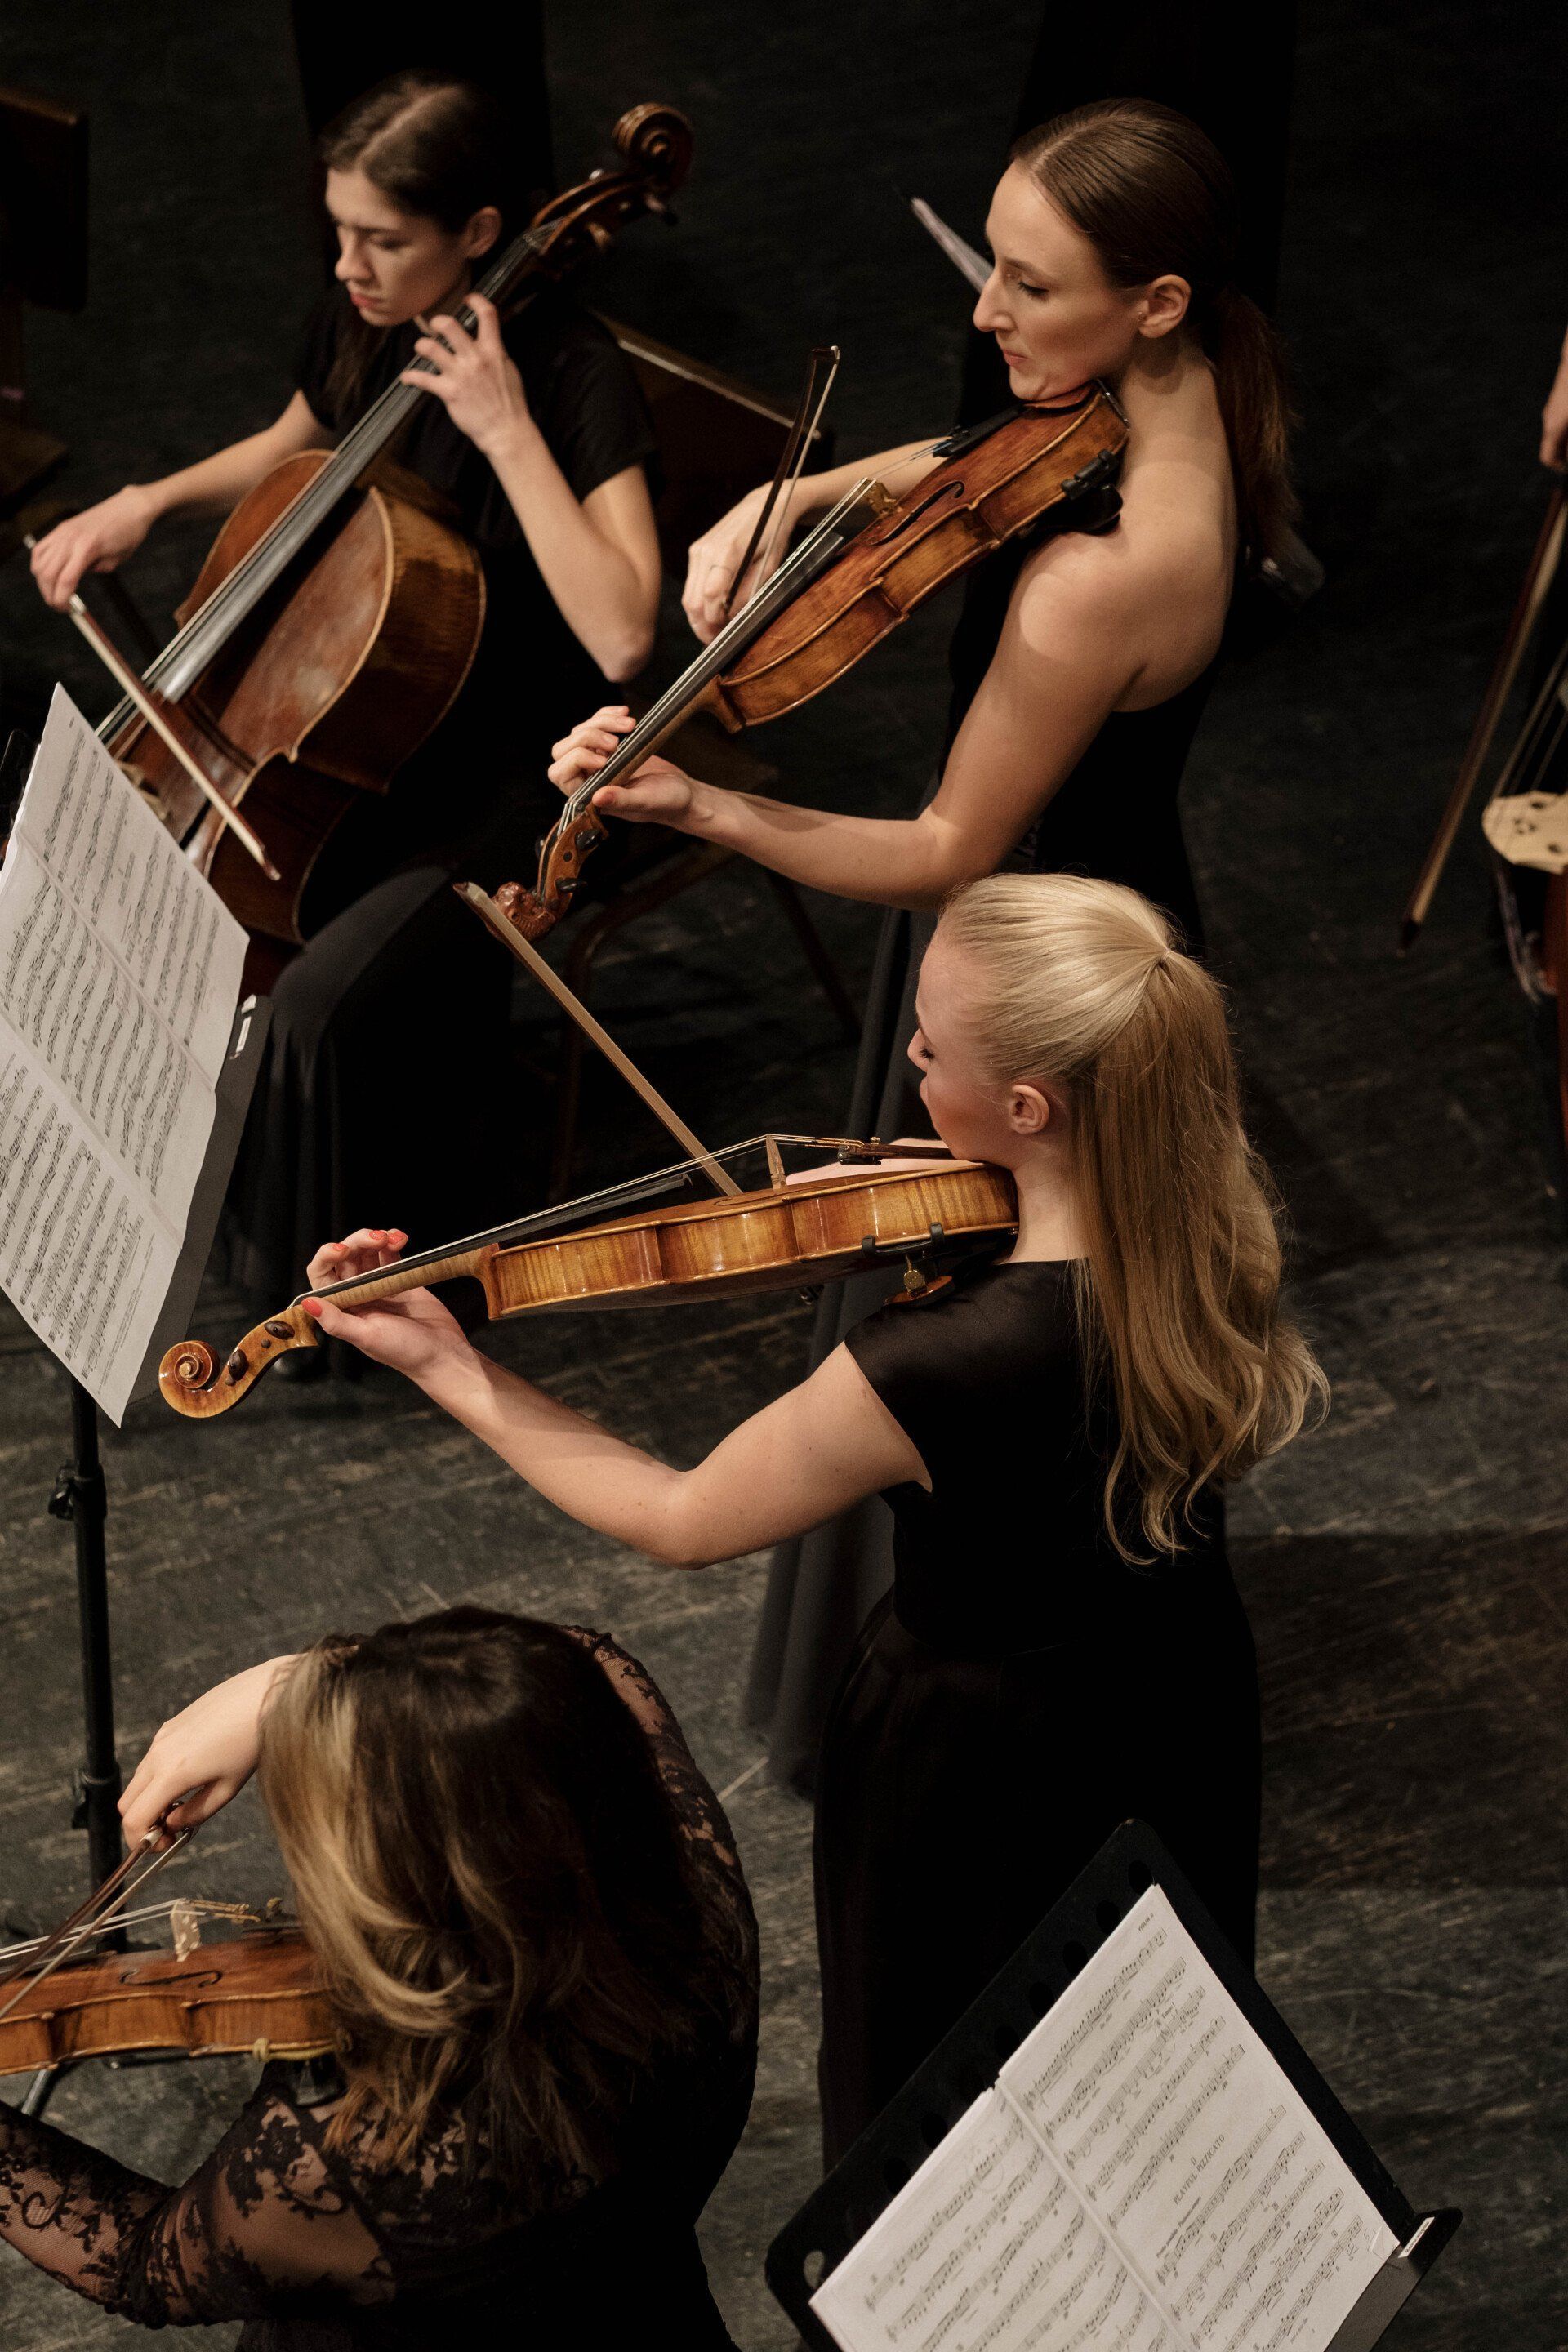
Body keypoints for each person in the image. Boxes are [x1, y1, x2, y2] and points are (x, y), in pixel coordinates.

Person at [134, 873, 1325, 2167]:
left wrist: (450, 1363)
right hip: (1172, 1699)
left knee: (957, 2080)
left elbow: (682, 1515)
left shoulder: (938, 1365)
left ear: (1031, 1107)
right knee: (1143, 2052)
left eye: (929, 1050)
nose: (906, 1079)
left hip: (981, 1765)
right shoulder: (1198, 1223)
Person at [545, 98, 1298, 1768]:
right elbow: (964, 464)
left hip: (1031, 952)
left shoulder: (1098, 581)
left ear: (1153, 301)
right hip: (1108, 907)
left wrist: (703, 804)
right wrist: (798, 492)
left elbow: (946, 843)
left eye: (1026, 287)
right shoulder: (1178, 401)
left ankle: (992, 1684)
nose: (984, 314)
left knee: (980, 1339)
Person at [29, 69, 662, 1314]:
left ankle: (326, 1269)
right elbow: (297, 443)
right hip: (372, 724)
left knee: (311, 994)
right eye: (338, 232)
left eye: (383, 239)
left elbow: (627, 627)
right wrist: (146, 503)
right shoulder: (369, 318)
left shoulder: (577, 376)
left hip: (515, 762)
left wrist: (506, 431)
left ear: (480, 235)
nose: (350, 266)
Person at [0, 1609, 757, 2345]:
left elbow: (140, 2262)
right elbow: (586, 1664)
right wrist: (301, 1688)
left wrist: (289, 1684)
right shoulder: (703, 1911)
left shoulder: (358, 2163)